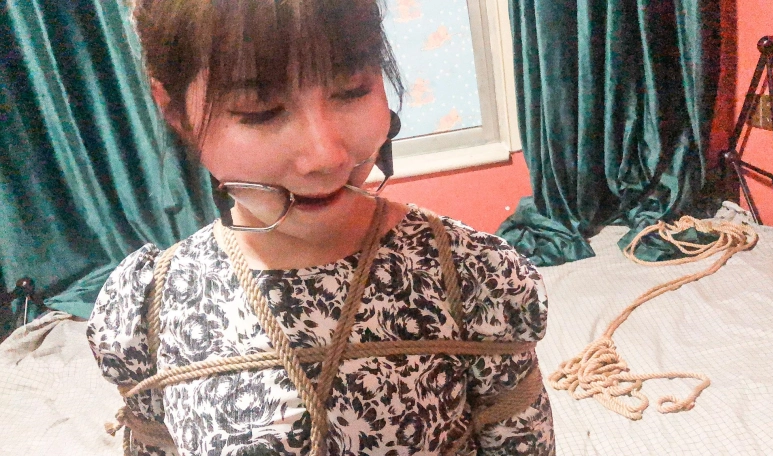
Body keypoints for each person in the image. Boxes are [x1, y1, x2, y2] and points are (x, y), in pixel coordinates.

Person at [87, 1, 554, 455]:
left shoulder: (475, 276)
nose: (326, 157)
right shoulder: (148, 308)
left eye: (352, 90)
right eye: (260, 111)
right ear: (175, 112)